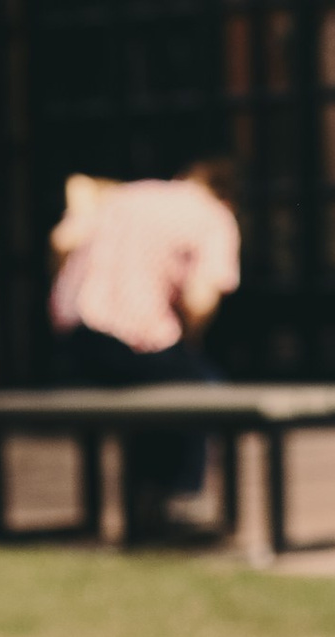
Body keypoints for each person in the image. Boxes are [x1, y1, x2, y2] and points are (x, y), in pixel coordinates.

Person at [48, 157, 242, 509]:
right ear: (228, 197)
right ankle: (182, 500)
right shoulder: (214, 216)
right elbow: (200, 300)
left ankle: (145, 496)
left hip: (74, 334)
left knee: (158, 383)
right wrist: (191, 337)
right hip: (132, 334)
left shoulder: (125, 195)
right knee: (203, 387)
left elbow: (62, 241)